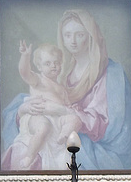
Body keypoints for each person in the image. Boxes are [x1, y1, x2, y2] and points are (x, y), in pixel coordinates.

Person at [1, 8, 131, 171]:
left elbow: (111, 128)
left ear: (90, 36)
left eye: (79, 35)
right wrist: (23, 109)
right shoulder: (62, 71)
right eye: (67, 35)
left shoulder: (111, 73)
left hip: (90, 145)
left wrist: (61, 110)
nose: (72, 41)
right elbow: (36, 86)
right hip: (51, 126)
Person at [13, 41, 81, 169]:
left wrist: (70, 109)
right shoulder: (38, 80)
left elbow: (66, 106)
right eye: (48, 63)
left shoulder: (61, 88)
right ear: (39, 67)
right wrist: (25, 56)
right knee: (44, 126)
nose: (53, 66)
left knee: (75, 119)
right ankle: (30, 155)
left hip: (57, 119)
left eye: (57, 62)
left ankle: (64, 136)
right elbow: (24, 72)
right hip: (38, 117)